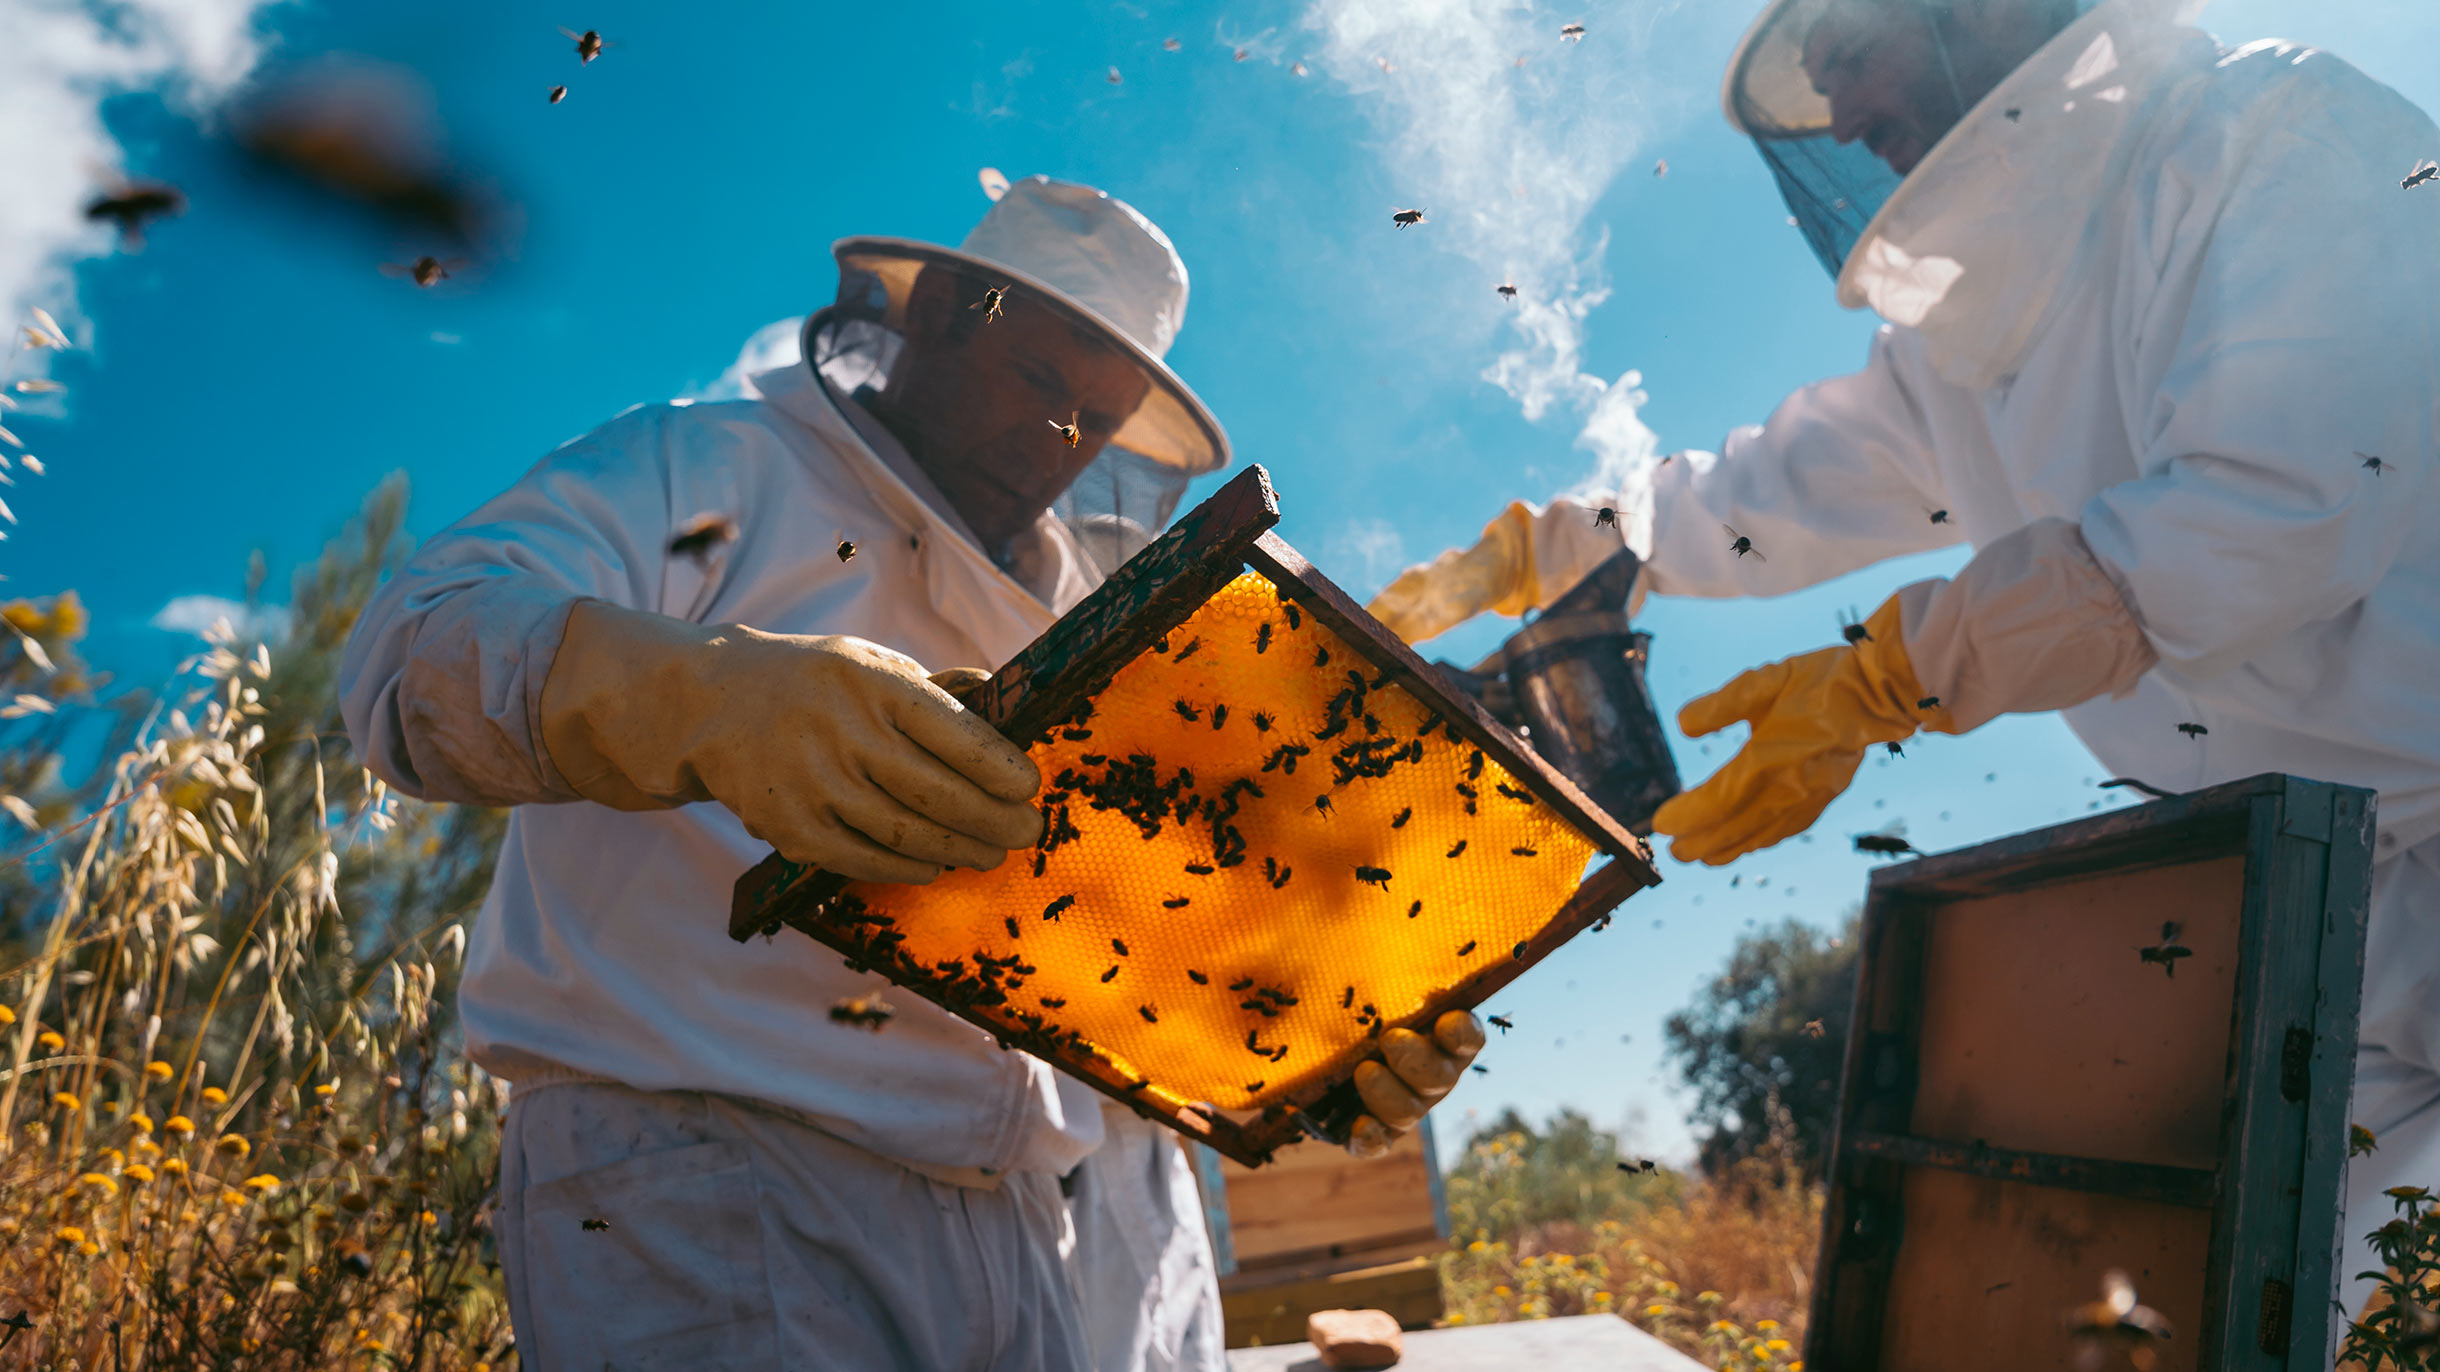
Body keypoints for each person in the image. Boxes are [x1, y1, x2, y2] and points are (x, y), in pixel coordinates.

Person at [1366, 0, 2440, 1321]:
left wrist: (1904, 671)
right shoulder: (1962, 347)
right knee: (2276, 1306)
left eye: (1842, 32)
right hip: (2314, 882)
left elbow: (2274, 514)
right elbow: (1780, 484)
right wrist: (1578, 543)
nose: (1821, 82)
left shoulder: (2283, 138)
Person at [340, 175, 1480, 1372]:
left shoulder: (1081, 620)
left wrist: (1320, 1051)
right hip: (709, 1173)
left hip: (1015, 1219)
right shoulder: (709, 465)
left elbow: (1133, 941)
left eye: (1095, 418)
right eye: (1038, 380)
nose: (1058, 441)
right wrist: (707, 698)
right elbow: (412, 652)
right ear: (934, 313)